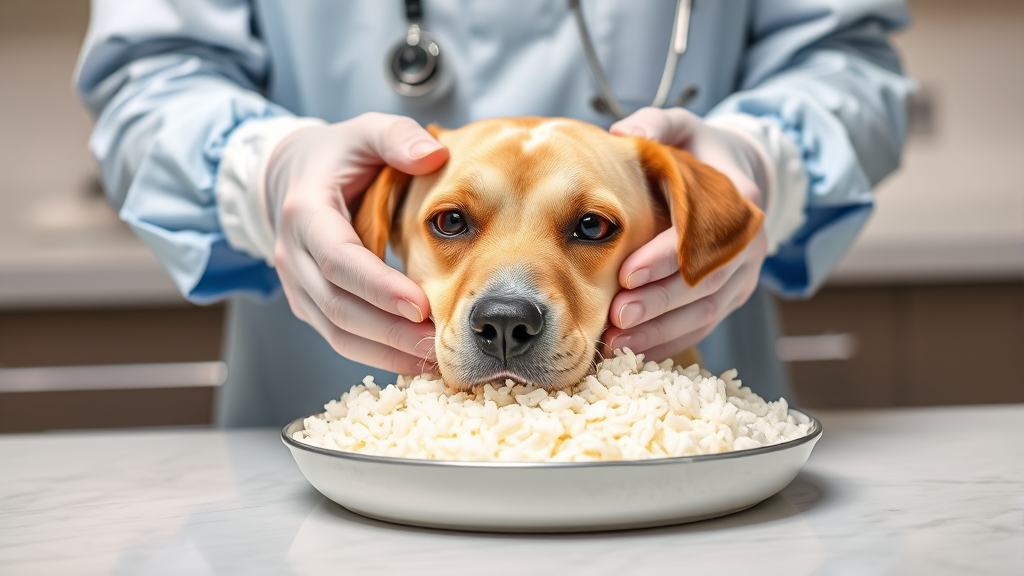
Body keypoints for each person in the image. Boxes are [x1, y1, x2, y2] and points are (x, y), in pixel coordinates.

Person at [75, 1, 913, 427]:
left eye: (588, 226)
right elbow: (149, 78)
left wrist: (761, 161)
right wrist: (267, 169)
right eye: (450, 221)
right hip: (318, 411)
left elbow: (846, 63)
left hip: (673, 432)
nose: (508, 302)